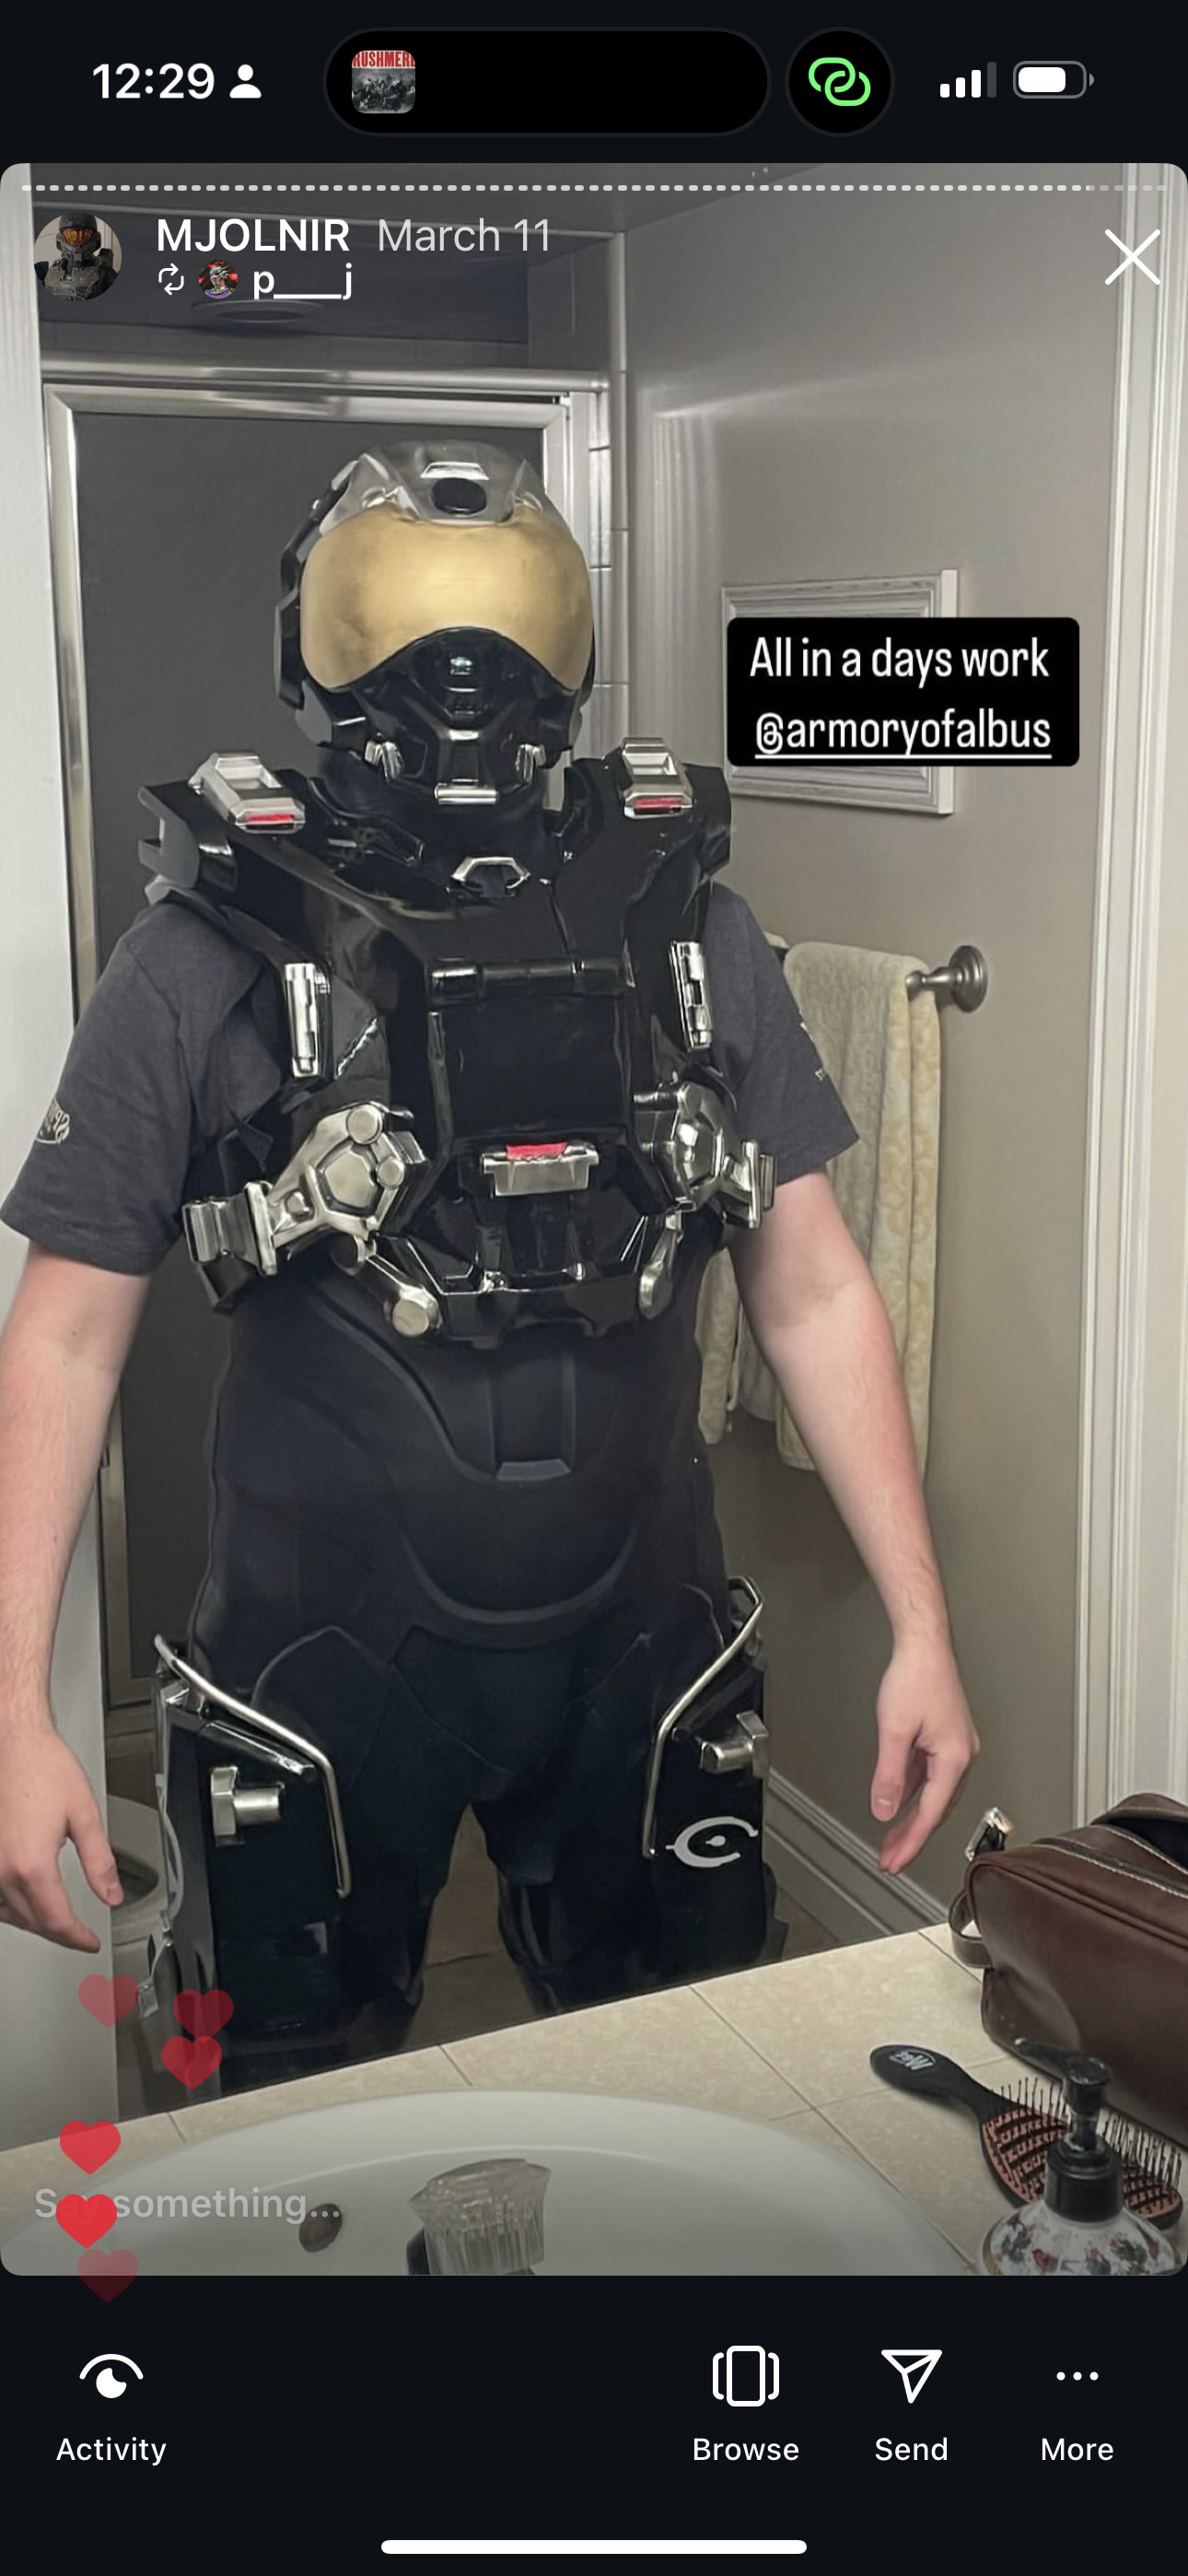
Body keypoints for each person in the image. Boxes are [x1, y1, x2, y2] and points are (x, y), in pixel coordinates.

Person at [0, 442, 978, 2083]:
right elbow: (63, 1337)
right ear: (319, 656)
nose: (463, 684)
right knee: (286, 2121)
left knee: (690, 2076)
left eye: (505, 631)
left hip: (639, 1636)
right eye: (410, 631)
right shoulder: (198, 954)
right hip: (317, 1658)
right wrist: (13, 1712)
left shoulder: (694, 930)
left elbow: (811, 1285)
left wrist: (922, 1629)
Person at [36, 210, 117, 302]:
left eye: (84, 236)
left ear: (95, 237)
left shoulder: (104, 272)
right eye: (72, 237)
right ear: (61, 238)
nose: (77, 244)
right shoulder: (47, 271)